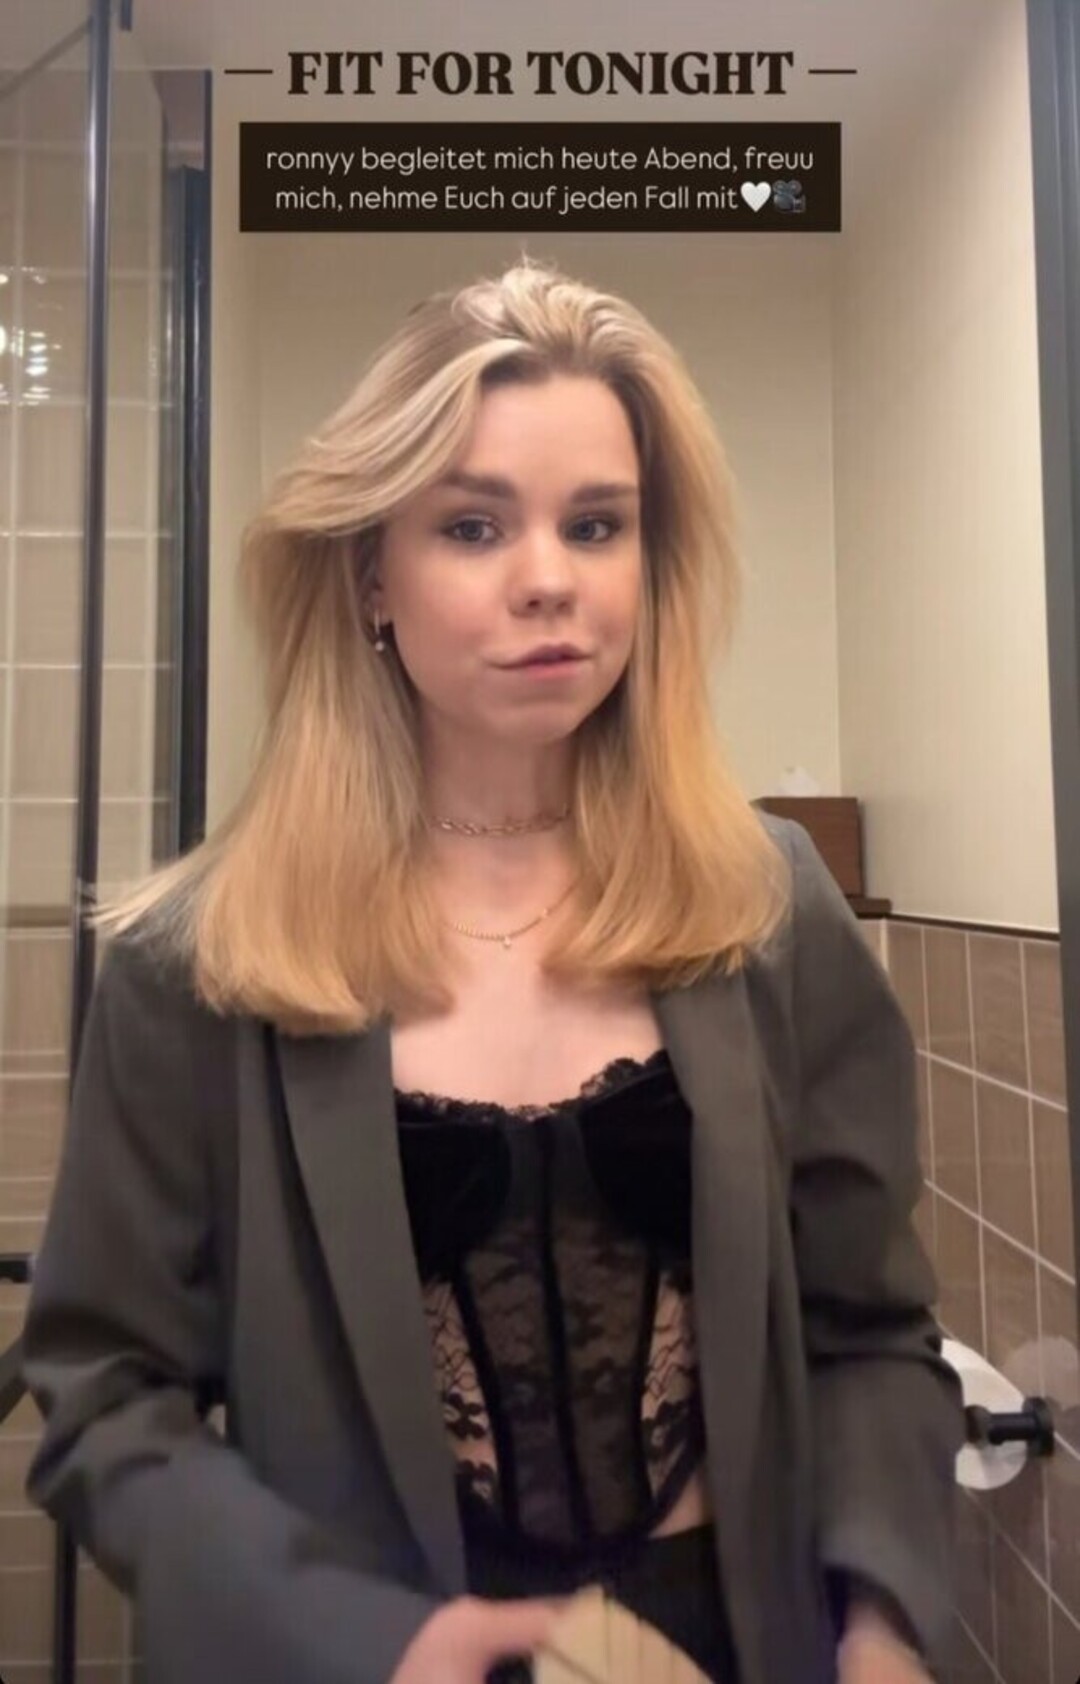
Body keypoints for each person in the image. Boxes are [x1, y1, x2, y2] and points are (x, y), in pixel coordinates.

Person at [20, 258, 963, 1684]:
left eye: (597, 524)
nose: (549, 580)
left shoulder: (769, 907)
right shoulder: (199, 962)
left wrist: (881, 1627)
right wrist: (359, 1640)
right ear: (370, 575)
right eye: (472, 525)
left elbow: (874, 1333)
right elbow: (106, 1402)